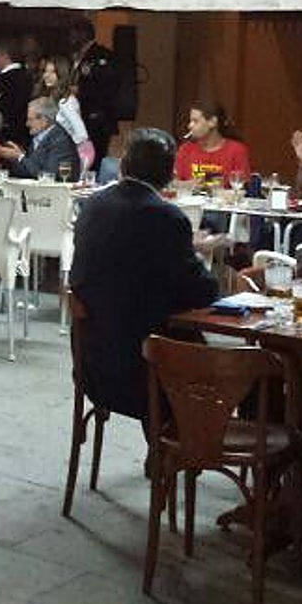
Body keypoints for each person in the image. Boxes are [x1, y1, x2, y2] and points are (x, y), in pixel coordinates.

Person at [69, 127, 219, 421]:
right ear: (169, 174)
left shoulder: (92, 206)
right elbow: (203, 293)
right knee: (239, 369)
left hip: (93, 365)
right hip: (148, 370)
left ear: (123, 163)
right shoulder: (168, 219)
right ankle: (192, 443)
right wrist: (198, 253)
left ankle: (168, 443)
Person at [69, 18, 118, 166]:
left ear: (84, 34)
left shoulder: (102, 55)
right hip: (78, 118)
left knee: (93, 161)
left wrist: (80, 90)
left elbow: (107, 87)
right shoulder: (76, 55)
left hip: (95, 119)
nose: (70, 37)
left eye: (73, 33)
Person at [0, 97, 80, 180]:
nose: (27, 124)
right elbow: (29, 171)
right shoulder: (38, 137)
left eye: (30, 120)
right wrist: (13, 157)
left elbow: (47, 175)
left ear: (44, 120)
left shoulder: (60, 140)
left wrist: (20, 156)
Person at [37, 55, 95, 172]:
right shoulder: (53, 98)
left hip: (74, 154)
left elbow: (82, 134)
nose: (47, 75)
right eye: (45, 71)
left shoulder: (66, 102)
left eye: (53, 72)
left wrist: (67, 148)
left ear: (61, 74)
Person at [174, 101, 251, 187]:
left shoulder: (237, 150)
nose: (190, 126)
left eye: (195, 121)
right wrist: (190, 184)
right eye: (190, 121)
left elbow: (243, 185)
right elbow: (172, 183)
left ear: (212, 122)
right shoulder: (185, 149)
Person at [0, 37, 33, 149]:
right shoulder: (28, 77)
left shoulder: (0, 80)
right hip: (26, 134)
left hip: (5, 136)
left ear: (4, 56)